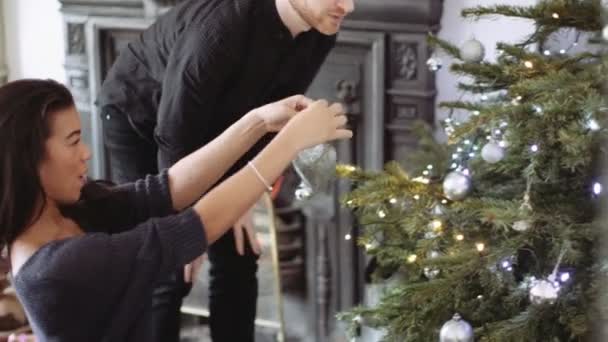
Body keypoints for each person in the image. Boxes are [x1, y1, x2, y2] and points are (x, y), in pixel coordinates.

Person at [0, 79, 351, 341]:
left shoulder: (71, 210)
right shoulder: (53, 268)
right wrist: (288, 144)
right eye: (73, 141)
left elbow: (165, 189)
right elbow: (194, 227)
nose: (86, 153)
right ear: (28, 158)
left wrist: (258, 122)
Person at [97, 0, 355, 340]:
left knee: (240, 252)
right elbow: (174, 133)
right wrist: (187, 225)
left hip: (221, 130)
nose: (348, 6)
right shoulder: (220, 30)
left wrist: (243, 194)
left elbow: (274, 117)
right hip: (141, 123)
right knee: (168, 266)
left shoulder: (321, 27)